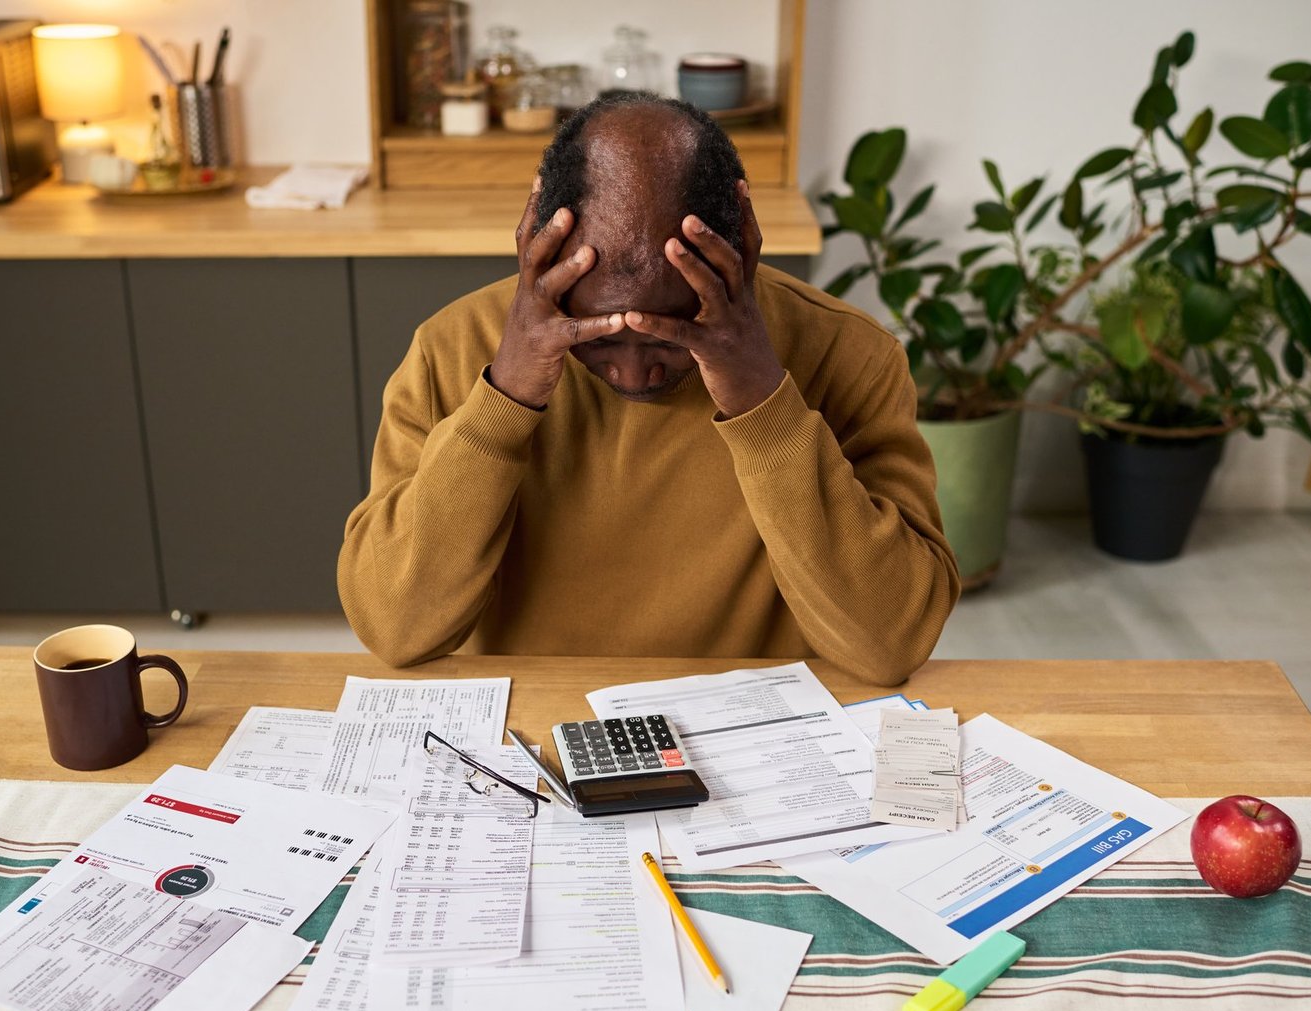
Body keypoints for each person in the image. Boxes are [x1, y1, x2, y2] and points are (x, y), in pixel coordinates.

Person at [339, 92, 958, 684]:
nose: (634, 375)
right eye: (597, 337)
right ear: (532, 233)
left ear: (740, 237)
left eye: (673, 335)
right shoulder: (452, 349)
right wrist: (505, 399)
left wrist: (761, 401)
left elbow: (889, 644)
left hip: (760, 737)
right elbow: (396, 629)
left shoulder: (850, 355)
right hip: (533, 736)